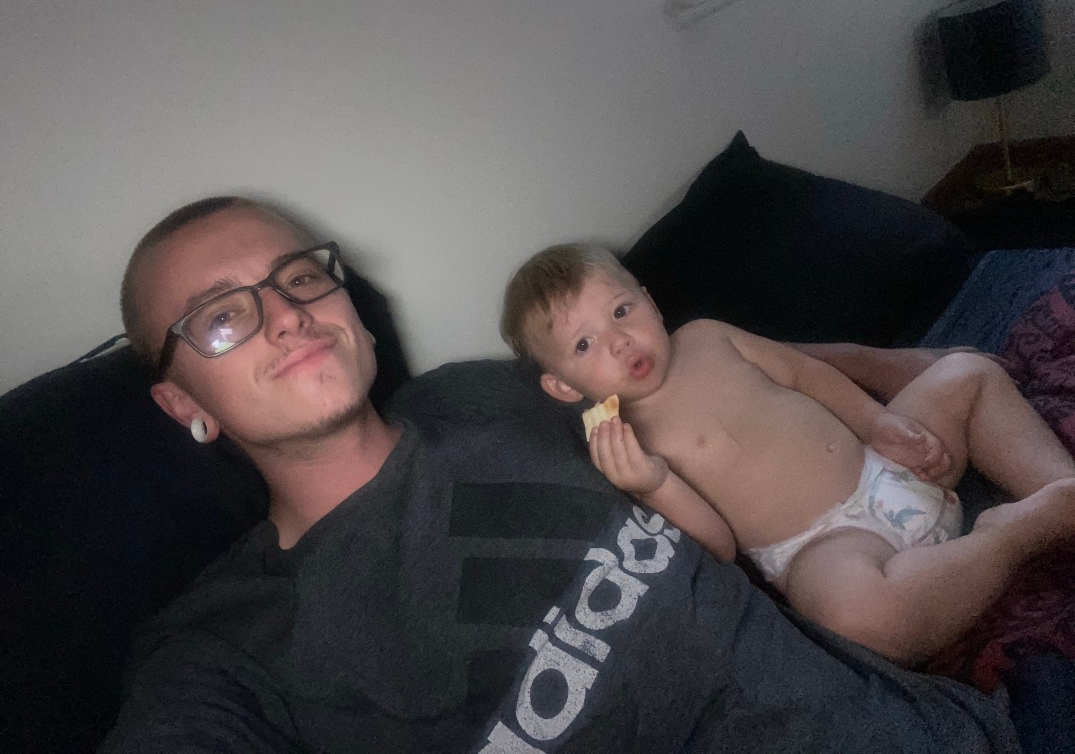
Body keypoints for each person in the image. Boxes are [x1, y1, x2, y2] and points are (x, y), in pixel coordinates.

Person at [102, 198, 1022, 752]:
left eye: (300, 277)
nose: (285, 314)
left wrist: (899, 374)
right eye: (221, 318)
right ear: (184, 405)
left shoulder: (479, 394)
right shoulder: (222, 649)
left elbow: (710, 371)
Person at [500, 243, 1075, 666]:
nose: (619, 340)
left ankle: (1060, 488)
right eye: (584, 344)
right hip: (829, 547)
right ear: (564, 387)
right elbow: (718, 547)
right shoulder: (626, 446)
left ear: (648, 301)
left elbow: (805, 374)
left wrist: (879, 423)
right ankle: (1015, 533)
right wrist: (653, 483)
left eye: (622, 311)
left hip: (888, 463)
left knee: (967, 372)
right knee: (857, 620)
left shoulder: (707, 336)